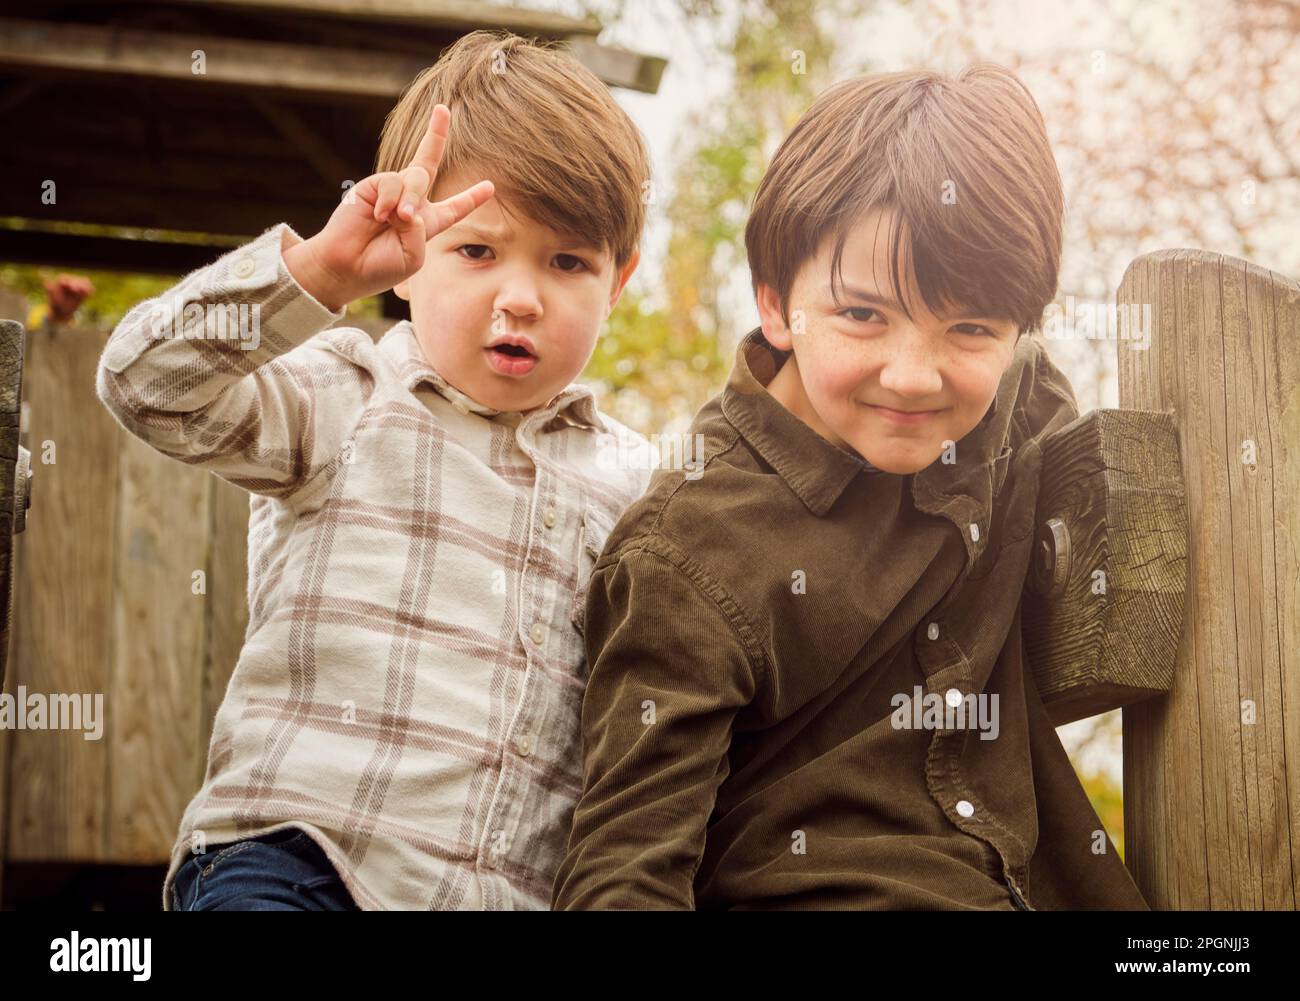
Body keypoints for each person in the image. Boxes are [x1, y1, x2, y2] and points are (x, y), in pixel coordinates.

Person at [552, 65, 1150, 910]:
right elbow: (622, 875)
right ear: (774, 303)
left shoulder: (1014, 412)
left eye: (969, 328)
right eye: (863, 315)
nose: (912, 376)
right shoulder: (687, 551)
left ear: (1019, 328)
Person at [96, 30, 653, 910]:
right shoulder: (346, 396)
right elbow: (146, 385)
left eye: (567, 261)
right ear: (410, 257)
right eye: (477, 250)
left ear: (616, 282)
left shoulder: (632, 480)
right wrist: (316, 270)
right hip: (299, 858)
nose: (521, 295)